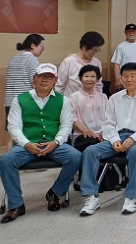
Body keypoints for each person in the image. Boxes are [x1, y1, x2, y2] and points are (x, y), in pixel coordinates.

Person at [0, 63, 81, 224]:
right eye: (41, 76)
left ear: (55, 80)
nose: (45, 80)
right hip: (28, 144)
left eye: (49, 77)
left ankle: (55, 193)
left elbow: (66, 126)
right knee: (5, 160)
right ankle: (16, 205)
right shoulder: (19, 100)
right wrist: (26, 144)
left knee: (76, 156)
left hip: (54, 143)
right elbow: (14, 127)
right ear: (34, 79)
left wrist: (55, 142)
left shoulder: (63, 101)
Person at [79, 62, 136, 216]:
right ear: (121, 78)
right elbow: (108, 123)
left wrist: (133, 138)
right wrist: (114, 139)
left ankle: (131, 196)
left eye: (133, 76)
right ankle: (91, 196)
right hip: (117, 136)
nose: (129, 79)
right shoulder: (115, 98)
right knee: (90, 151)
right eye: (125, 76)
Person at [4, 34, 44, 149]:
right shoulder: (32, 59)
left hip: (9, 101)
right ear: (33, 46)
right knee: (26, 132)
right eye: (41, 46)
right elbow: (36, 81)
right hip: (24, 101)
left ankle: (9, 157)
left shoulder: (14, 58)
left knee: (13, 134)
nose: (42, 49)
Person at [70, 66, 108, 176]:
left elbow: (109, 117)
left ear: (97, 79)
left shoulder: (103, 97)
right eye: (86, 76)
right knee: (93, 144)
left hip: (102, 134)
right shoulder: (74, 97)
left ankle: (110, 179)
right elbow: (72, 118)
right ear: (80, 78)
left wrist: (104, 131)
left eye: (93, 76)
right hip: (82, 136)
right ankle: (90, 178)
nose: (89, 79)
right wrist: (84, 130)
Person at [56, 32, 105, 97]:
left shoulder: (97, 63)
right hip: (70, 101)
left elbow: (98, 85)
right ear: (84, 47)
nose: (95, 53)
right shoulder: (69, 62)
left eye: (97, 50)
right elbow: (59, 85)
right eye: (94, 50)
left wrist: (98, 98)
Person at [111, 24, 136, 91]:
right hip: (124, 79)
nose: (131, 33)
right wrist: (117, 79)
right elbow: (116, 64)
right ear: (125, 32)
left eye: (133, 31)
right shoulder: (120, 46)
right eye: (129, 31)